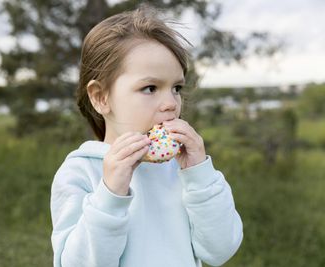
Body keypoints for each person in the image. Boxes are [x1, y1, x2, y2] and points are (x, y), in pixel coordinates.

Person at [50, 5, 243, 267]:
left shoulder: (184, 171)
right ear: (100, 97)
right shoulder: (80, 172)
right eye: (150, 88)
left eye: (176, 88)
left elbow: (220, 250)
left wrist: (200, 175)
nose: (171, 104)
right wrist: (110, 196)